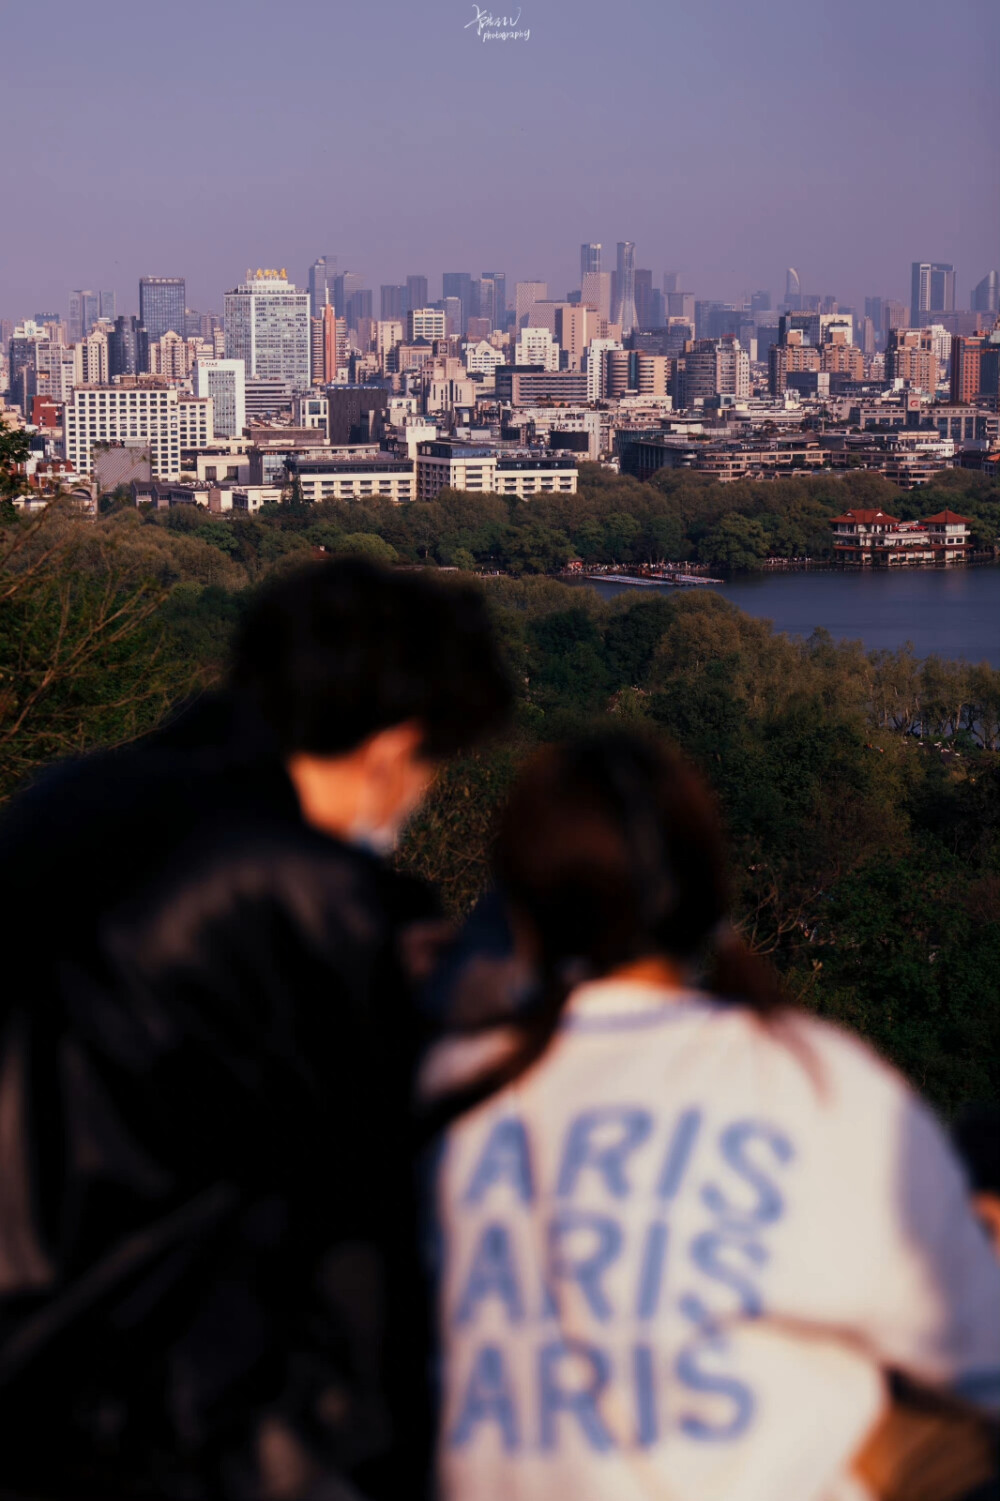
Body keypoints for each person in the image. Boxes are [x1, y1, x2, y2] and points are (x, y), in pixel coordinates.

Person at [0, 556, 512, 1501]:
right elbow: (370, 1173)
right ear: (394, 746)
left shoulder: (68, 797)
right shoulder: (304, 891)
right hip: (136, 1391)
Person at [426, 731, 1000, 1501]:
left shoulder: (456, 1082)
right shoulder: (808, 1078)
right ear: (707, 898)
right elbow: (970, 1342)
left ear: (519, 914)